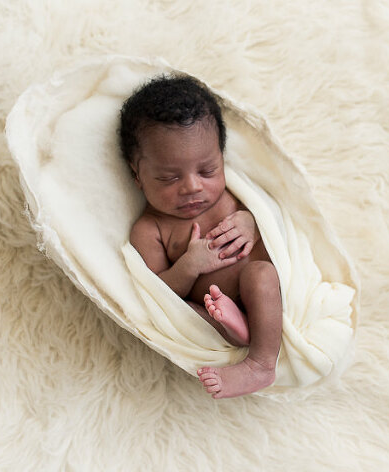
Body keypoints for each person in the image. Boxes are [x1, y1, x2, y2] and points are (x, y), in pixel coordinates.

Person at [118, 74, 283, 399]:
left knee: (261, 273)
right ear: (137, 176)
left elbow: (276, 218)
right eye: (169, 178)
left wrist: (251, 221)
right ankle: (233, 329)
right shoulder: (150, 229)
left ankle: (261, 363)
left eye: (208, 171)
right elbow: (159, 293)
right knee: (186, 314)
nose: (193, 187)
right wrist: (189, 265)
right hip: (209, 310)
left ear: (221, 158)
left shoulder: (233, 197)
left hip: (265, 293)